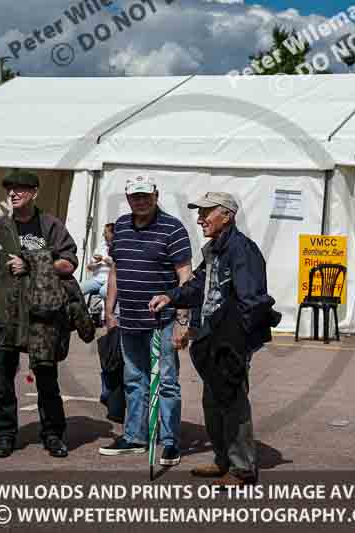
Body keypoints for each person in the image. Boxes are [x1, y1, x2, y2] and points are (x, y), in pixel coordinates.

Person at [149, 192, 280, 486]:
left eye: (206, 213)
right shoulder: (214, 249)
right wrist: (170, 297)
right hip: (212, 337)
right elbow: (197, 286)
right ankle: (223, 460)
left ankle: (242, 469)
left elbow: (252, 301)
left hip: (230, 339)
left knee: (233, 402)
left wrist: (238, 343)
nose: (200, 219)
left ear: (227, 216)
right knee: (213, 401)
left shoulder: (242, 250)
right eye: (200, 213)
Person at [0, 170, 78, 459]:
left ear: (34, 192)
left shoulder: (50, 225)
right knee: (3, 380)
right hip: (4, 315)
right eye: (10, 189)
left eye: (20, 189)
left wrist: (33, 262)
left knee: (46, 378)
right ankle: (5, 435)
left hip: (41, 316)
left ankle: (53, 434)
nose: (13, 193)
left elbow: (69, 263)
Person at [98, 175, 192, 467]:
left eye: (145, 196)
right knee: (133, 380)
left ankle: (171, 442)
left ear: (156, 195)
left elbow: (185, 276)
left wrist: (182, 320)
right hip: (129, 320)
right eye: (135, 196)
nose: (140, 201)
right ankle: (135, 437)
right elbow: (116, 270)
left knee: (167, 382)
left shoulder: (173, 228)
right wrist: (109, 311)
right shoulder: (122, 226)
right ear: (128, 198)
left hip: (162, 320)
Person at [80, 223, 115, 300]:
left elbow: (117, 265)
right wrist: (93, 265)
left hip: (110, 279)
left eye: (105, 232)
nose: (103, 235)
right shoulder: (101, 246)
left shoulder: (118, 247)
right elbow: (89, 267)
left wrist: (102, 258)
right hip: (97, 279)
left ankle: (106, 306)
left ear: (112, 234)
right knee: (78, 289)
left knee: (103, 292)